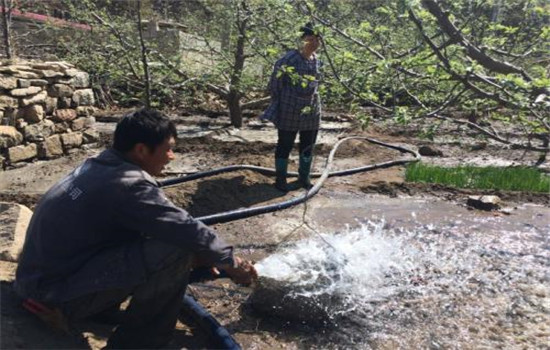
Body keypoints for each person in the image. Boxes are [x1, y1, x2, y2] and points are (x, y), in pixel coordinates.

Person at [14, 108, 258, 349]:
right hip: (53, 297)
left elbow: (158, 227)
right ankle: (139, 343)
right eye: (168, 148)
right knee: (177, 250)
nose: (172, 156)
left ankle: (101, 310)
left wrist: (205, 254)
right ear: (141, 150)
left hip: (38, 282)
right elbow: (185, 228)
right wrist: (230, 262)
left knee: (180, 246)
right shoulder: (129, 185)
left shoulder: (99, 165)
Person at [261, 22, 323, 192]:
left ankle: (304, 177)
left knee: (308, 145)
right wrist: (284, 101)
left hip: (311, 111)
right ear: (302, 41)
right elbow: (275, 85)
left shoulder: (317, 60)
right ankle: (280, 178)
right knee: (285, 144)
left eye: (317, 39)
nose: (314, 43)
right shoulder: (288, 60)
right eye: (310, 39)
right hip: (290, 109)